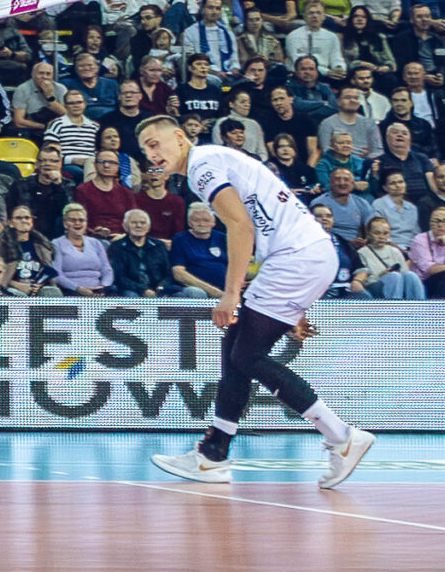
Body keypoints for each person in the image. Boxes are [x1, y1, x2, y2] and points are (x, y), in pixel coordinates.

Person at [137, 117, 376, 489]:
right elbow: (259, 222)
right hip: (301, 256)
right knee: (235, 349)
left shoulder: (201, 166)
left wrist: (231, 293)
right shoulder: (212, 160)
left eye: (155, 143)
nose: (151, 154)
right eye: (145, 149)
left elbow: (241, 226)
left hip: (297, 257)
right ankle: (213, 454)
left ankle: (341, 435)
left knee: (246, 356)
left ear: (181, 137)